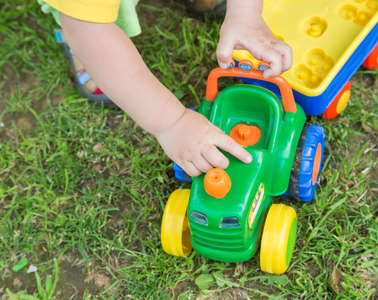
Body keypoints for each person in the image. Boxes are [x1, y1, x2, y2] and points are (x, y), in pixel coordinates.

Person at [38, 0, 293, 176]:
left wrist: (245, 15)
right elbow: (89, 31)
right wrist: (171, 123)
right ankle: (83, 49)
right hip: (87, 23)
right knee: (88, 20)